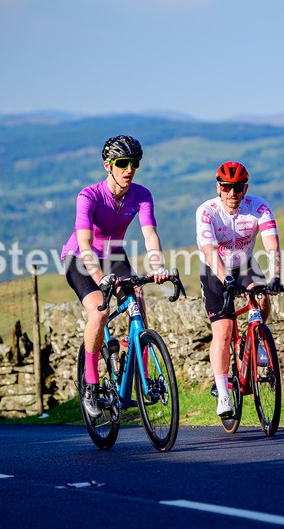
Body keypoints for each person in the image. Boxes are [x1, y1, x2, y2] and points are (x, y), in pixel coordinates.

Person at [61, 135, 169, 418]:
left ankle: (140, 368)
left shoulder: (142, 195)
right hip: (80, 258)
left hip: (114, 254)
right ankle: (91, 385)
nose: (129, 169)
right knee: (99, 311)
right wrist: (98, 275)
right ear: (108, 165)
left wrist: (157, 266)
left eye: (134, 163)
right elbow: (84, 244)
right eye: (123, 163)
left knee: (138, 299)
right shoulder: (89, 196)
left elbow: (150, 234)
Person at [195, 161, 282, 417]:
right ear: (218, 187)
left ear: (245, 188)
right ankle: (223, 393)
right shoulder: (206, 211)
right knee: (223, 331)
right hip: (214, 270)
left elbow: (272, 246)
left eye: (238, 187)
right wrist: (226, 281)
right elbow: (209, 251)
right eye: (226, 187)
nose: (232, 193)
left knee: (262, 297)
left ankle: (256, 342)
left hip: (244, 263)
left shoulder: (259, 208)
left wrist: (275, 276)